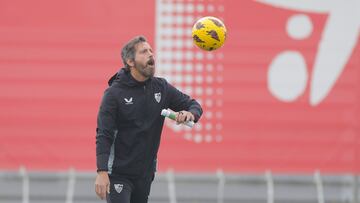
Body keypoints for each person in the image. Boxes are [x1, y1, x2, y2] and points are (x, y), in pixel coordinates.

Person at [94, 35, 203, 203]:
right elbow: (104, 134)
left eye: (151, 50)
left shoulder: (161, 87)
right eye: (144, 52)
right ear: (130, 62)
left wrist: (191, 114)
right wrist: (101, 172)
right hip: (118, 173)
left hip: (144, 175)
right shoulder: (113, 94)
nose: (151, 54)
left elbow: (193, 105)